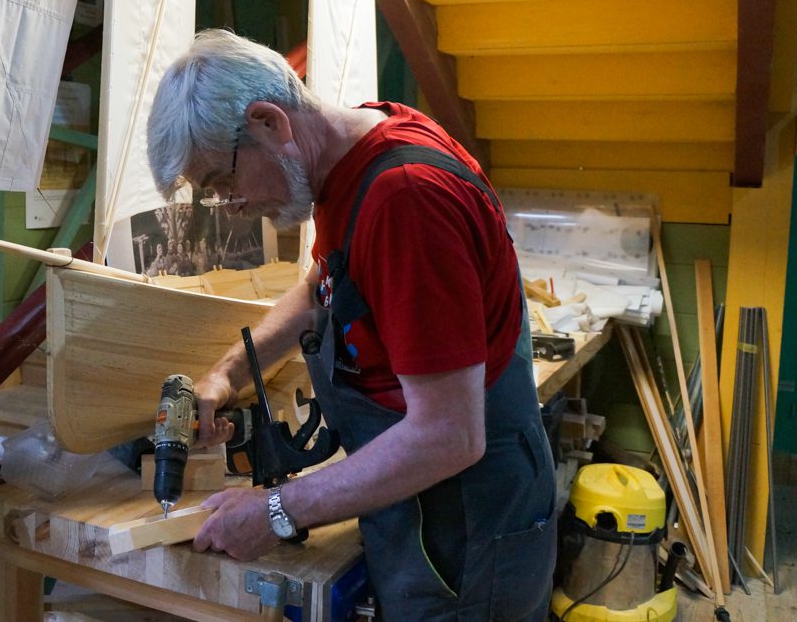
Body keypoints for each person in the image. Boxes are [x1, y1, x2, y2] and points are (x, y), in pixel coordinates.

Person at [145, 30, 556, 621]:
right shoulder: (354, 154)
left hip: (466, 531)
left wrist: (277, 510)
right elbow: (327, 283)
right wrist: (229, 373)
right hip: (425, 504)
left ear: (269, 123)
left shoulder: (405, 199)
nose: (230, 206)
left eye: (221, 182)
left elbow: (449, 434)